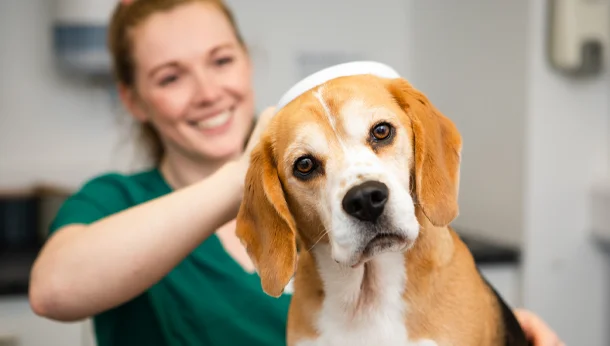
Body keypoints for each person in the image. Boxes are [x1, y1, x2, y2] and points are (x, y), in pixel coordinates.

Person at [28, 0, 564, 345]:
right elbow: (52, 291)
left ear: (246, 61)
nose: (208, 92)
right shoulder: (116, 198)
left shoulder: (339, 206)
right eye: (170, 77)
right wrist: (245, 173)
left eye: (220, 61)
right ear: (134, 100)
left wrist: (497, 326)